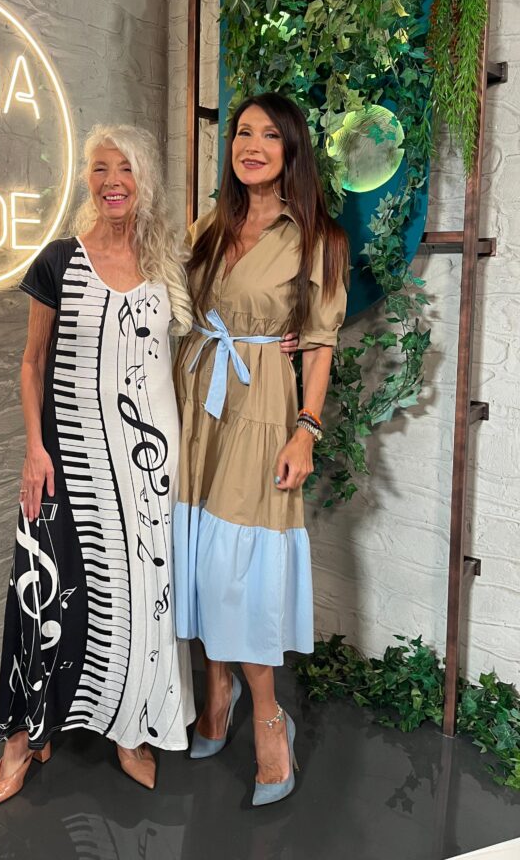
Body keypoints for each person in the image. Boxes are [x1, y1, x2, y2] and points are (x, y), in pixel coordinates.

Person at [0, 124, 198, 810]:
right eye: (101, 168)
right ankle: (22, 742)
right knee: (42, 592)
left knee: (142, 594)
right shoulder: (58, 261)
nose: (112, 181)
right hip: (65, 458)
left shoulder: (167, 265)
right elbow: (31, 363)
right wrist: (34, 448)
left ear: (143, 181)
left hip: (148, 464)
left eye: (124, 169)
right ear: (87, 180)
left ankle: (133, 730)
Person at [173, 92, 348, 806]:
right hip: (194, 404)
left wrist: (306, 429)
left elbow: (320, 343)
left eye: (268, 135)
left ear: (291, 149)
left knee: (236, 570)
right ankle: (216, 690)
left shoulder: (317, 239)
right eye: (242, 133)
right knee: (194, 558)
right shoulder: (207, 226)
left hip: (262, 407)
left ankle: (270, 718)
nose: (251, 145)